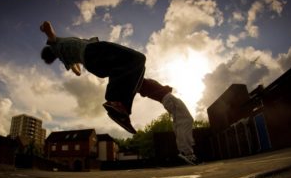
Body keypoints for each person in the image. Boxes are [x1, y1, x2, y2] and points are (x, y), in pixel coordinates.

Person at [40, 21, 198, 165]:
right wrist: (45, 29)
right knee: (138, 59)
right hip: (94, 51)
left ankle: (130, 102)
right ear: (51, 50)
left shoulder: (63, 57)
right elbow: (48, 28)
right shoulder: (56, 44)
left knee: (137, 74)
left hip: (95, 64)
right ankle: (118, 103)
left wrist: (75, 63)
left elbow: (77, 72)